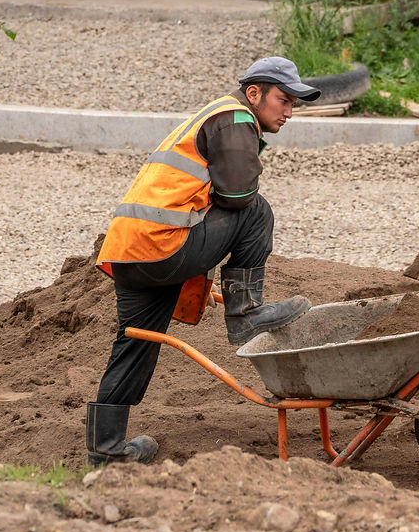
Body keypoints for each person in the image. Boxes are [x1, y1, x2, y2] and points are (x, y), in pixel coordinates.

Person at [86, 56, 321, 466]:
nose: (288, 112)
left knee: (134, 341)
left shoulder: (212, 115)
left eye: (293, 105)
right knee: (256, 210)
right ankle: (244, 312)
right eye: (283, 100)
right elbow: (237, 198)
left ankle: (106, 451)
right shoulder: (235, 118)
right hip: (164, 247)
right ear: (254, 93)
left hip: (130, 252)